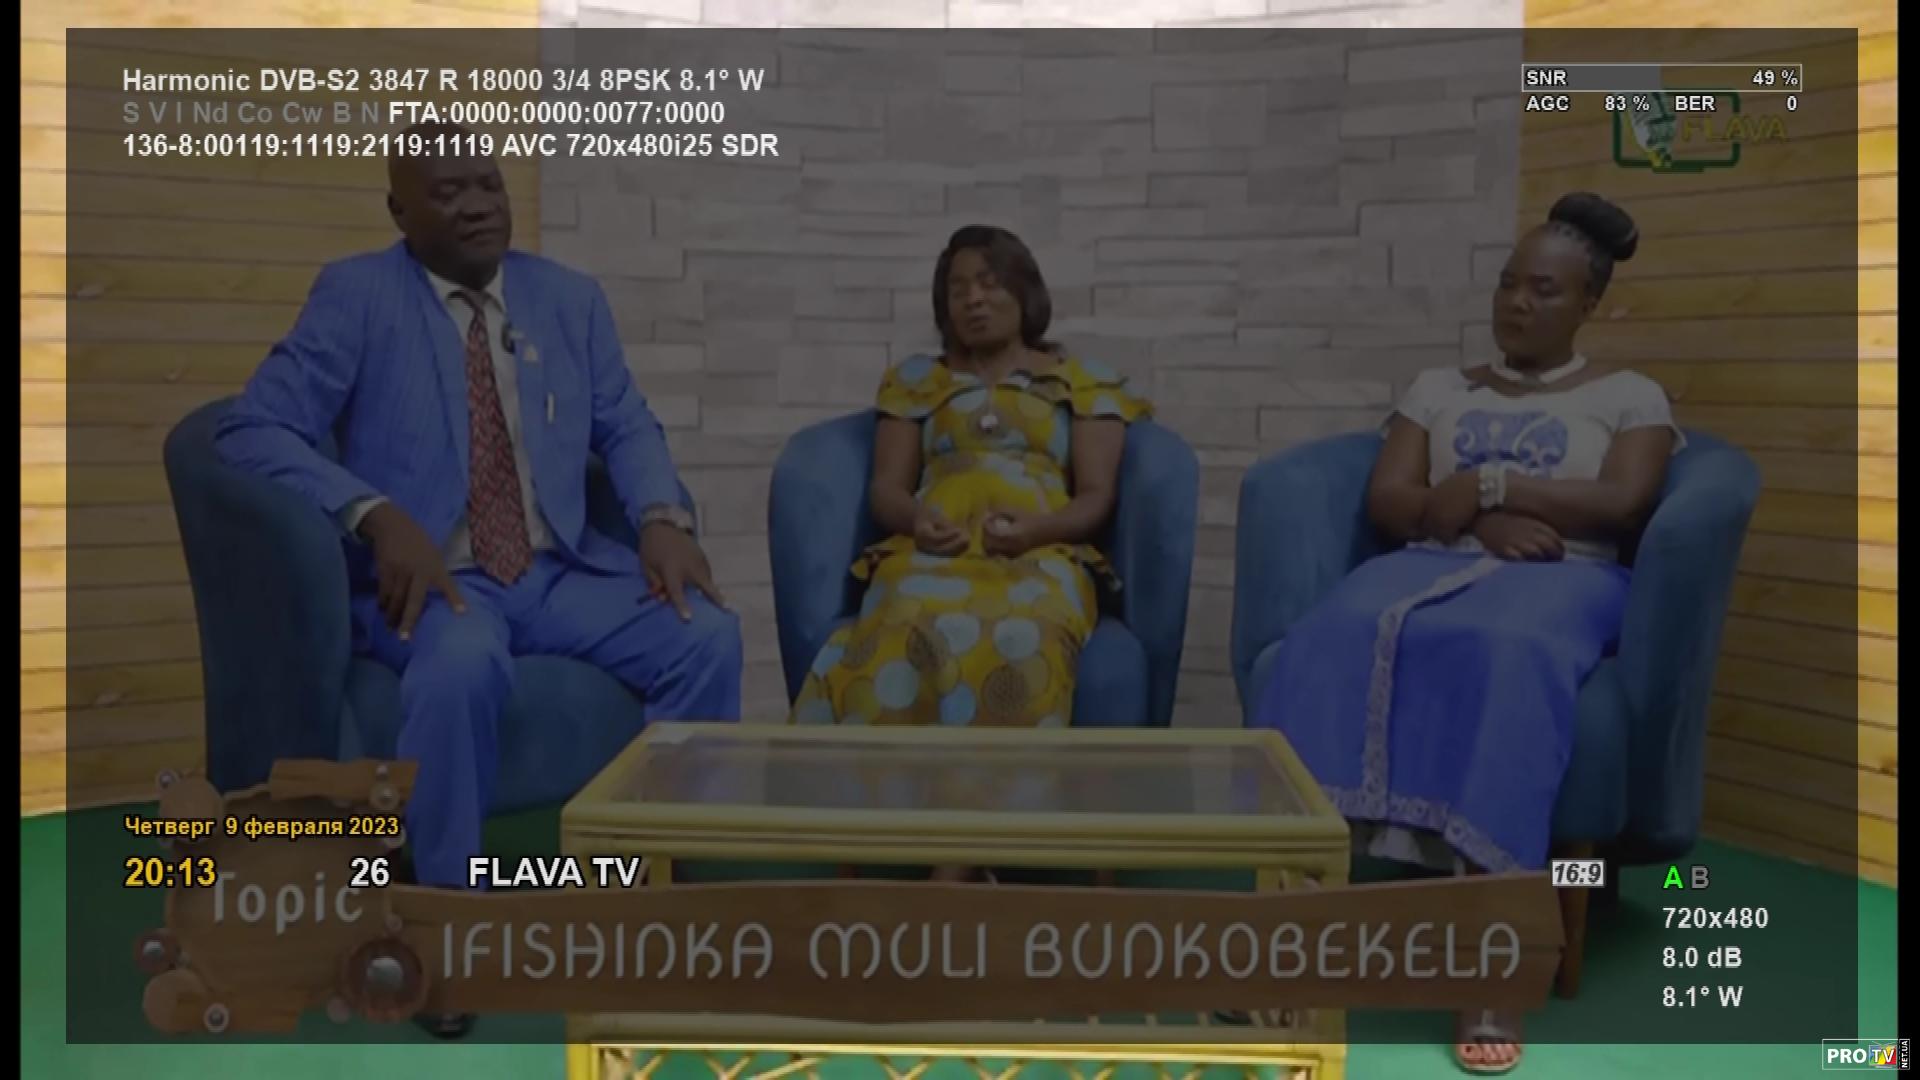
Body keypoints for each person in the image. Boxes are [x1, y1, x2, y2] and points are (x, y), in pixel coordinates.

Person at [215, 123, 741, 1033]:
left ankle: (657, 882)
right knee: (461, 665)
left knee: (705, 635)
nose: (475, 207)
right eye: (447, 192)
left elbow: (624, 422)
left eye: (488, 186)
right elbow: (253, 429)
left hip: (557, 568)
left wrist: (662, 517)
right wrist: (373, 513)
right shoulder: (357, 295)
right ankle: (442, 921)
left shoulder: (567, 298)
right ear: (399, 212)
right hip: (439, 582)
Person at [1247, 193, 1681, 1074]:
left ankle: (1492, 961)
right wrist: (1481, 521)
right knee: (1331, 630)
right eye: (1509, 284)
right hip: (1429, 562)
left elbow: (1621, 502)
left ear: (1590, 302)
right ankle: (1287, 935)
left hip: (1567, 576)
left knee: (1506, 652)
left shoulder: (1630, 396)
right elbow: (1392, 500)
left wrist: (1487, 488)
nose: (1518, 302)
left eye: (1545, 290)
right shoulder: (1438, 390)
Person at [787, 225, 1149, 855]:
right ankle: (868, 838)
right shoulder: (916, 383)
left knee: (1024, 637)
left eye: (989, 283)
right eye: (958, 290)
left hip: (1039, 553)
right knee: (893, 632)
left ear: (1024, 291)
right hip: (933, 551)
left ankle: (974, 850)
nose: (973, 299)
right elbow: (886, 490)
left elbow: (1096, 497)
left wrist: (1035, 531)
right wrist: (917, 520)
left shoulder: (1083, 382)